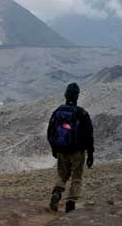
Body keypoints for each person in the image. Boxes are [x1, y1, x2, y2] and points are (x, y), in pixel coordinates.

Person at [47, 83, 94, 213]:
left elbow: (50, 131)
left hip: (62, 151)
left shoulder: (57, 112)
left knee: (62, 175)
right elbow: (89, 135)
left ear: (66, 95)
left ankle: (57, 192)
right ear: (77, 96)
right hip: (77, 152)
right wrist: (90, 154)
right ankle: (70, 203)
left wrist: (54, 148)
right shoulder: (82, 113)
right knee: (76, 177)